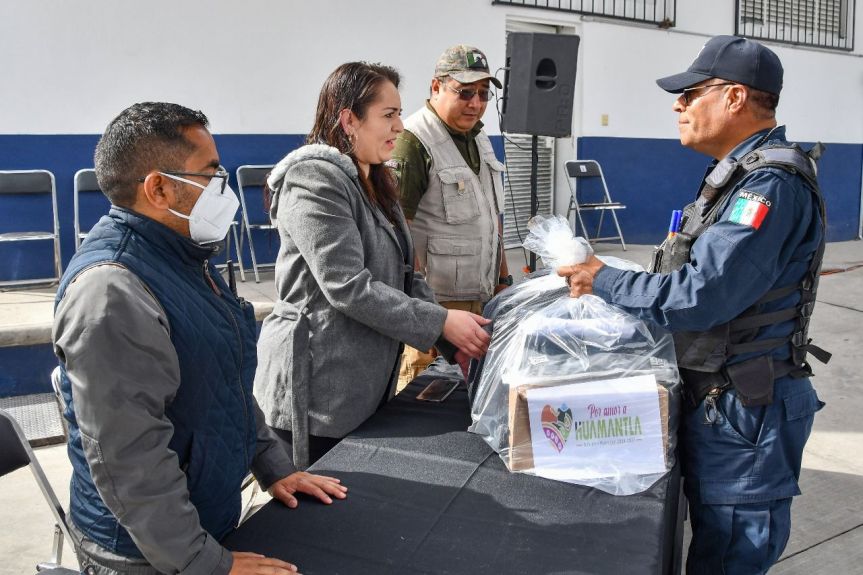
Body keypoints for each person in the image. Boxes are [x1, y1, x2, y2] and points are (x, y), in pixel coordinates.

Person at [557, 36, 827, 573]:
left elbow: (701, 295)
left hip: (746, 413)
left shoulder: (768, 187)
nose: (678, 106)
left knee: (728, 556)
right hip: (721, 401)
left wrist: (605, 280)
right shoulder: (736, 176)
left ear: (734, 97)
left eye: (690, 94)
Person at [53, 102, 347, 575]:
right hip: (146, 555)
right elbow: (131, 459)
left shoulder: (181, 257)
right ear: (159, 188)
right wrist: (205, 562)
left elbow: (222, 386)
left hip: (199, 525)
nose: (221, 188)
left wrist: (274, 465)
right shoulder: (111, 292)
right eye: (210, 174)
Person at [254, 62, 491, 470]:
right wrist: (440, 322)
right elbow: (346, 286)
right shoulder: (314, 180)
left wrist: (451, 339)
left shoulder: (375, 180)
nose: (399, 126)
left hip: (362, 385)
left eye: (399, 113)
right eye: (389, 115)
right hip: (317, 392)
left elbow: (407, 276)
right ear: (349, 120)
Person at [388, 45, 510, 388]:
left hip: (482, 301)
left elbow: (491, 217)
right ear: (436, 87)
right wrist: (424, 311)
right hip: (436, 311)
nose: (476, 103)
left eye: (483, 94)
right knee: (425, 398)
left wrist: (504, 280)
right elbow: (398, 233)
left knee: (469, 397)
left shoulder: (479, 138)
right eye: (465, 92)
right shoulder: (413, 141)